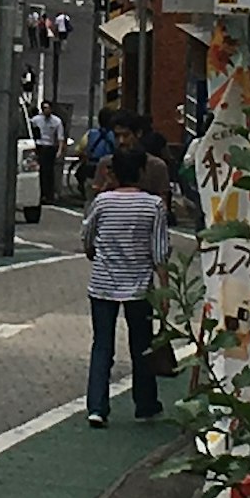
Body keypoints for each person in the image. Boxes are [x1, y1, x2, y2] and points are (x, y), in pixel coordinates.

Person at [83, 146, 170, 424]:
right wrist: (164, 290)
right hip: (139, 285)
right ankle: (145, 405)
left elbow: (88, 237)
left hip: (103, 283)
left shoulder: (102, 202)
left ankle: (97, 407)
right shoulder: (154, 205)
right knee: (141, 345)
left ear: (114, 172)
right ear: (142, 171)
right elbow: (159, 251)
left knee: (102, 346)